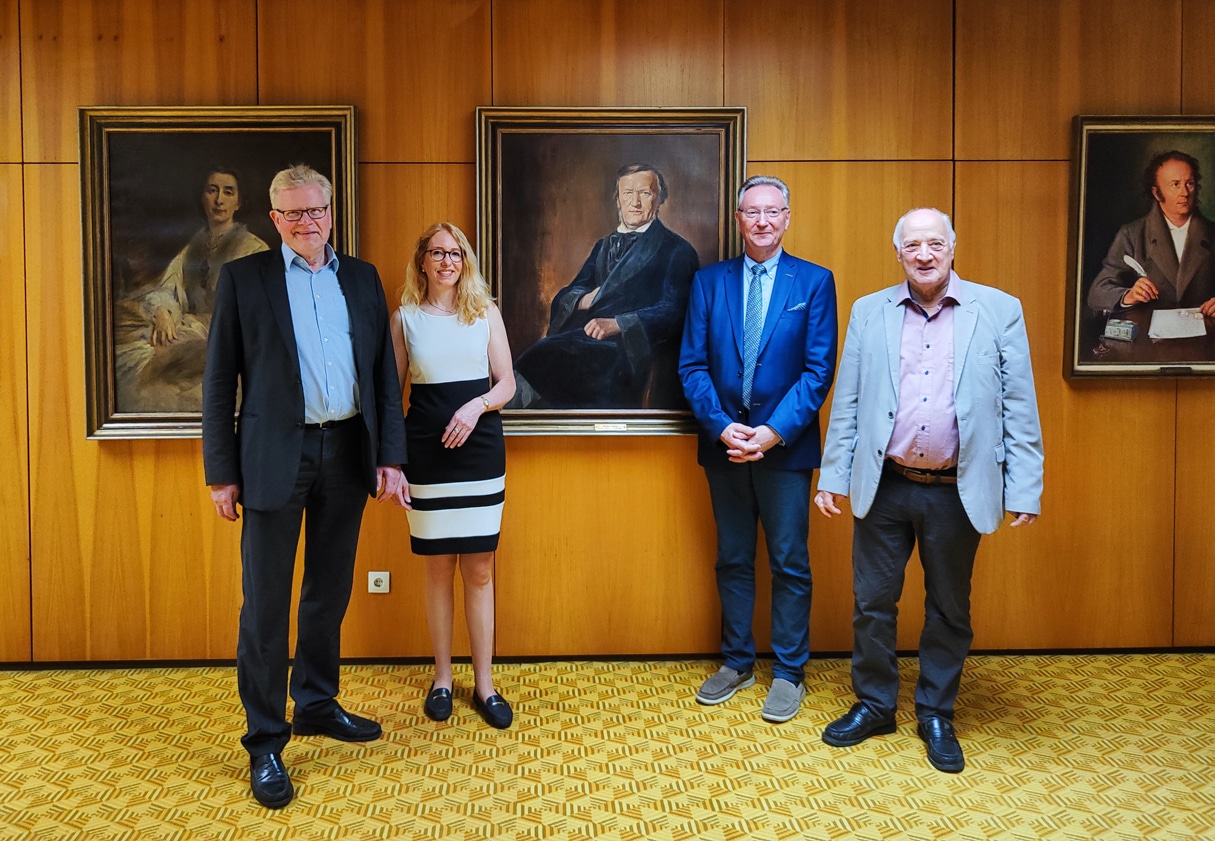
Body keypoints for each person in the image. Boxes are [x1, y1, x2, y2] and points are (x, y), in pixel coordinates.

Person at [202, 164, 408, 809]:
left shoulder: (364, 277)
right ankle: (265, 738)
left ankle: (317, 702)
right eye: (291, 214)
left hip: (347, 450)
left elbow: (383, 378)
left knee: (328, 591)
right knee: (264, 605)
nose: (306, 223)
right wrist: (220, 471)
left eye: (315, 211)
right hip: (271, 458)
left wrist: (390, 458)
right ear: (274, 219)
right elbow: (217, 383)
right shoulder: (244, 279)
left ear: (330, 211)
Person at [814, 207, 1044, 773]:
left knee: (948, 609)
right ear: (898, 253)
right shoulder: (869, 312)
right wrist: (833, 476)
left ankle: (936, 711)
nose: (924, 254)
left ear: (952, 247)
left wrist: (1026, 487)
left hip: (956, 490)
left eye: (934, 243)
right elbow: (847, 402)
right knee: (872, 604)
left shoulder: (999, 310)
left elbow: (1020, 405)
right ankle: (875, 705)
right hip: (885, 485)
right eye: (913, 245)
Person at [678, 174, 838, 723]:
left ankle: (790, 671)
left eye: (773, 212)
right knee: (733, 558)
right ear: (740, 219)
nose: (763, 221)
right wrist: (724, 427)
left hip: (785, 450)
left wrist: (770, 434)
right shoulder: (708, 283)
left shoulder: (814, 282)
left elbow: (818, 373)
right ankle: (737, 661)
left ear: (788, 218)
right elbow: (692, 367)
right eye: (753, 212)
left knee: (790, 562)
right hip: (724, 447)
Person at [389, 223, 517, 730]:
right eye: (437, 252)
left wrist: (475, 407)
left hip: (479, 451)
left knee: (480, 570)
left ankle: (484, 684)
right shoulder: (404, 319)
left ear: (466, 260)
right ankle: (443, 678)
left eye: (456, 252)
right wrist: (393, 462)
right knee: (438, 569)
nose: (447, 261)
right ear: (422, 261)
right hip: (426, 456)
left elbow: (507, 382)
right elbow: (389, 395)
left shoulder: (485, 312)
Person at [512, 162, 700, 409]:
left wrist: (619, 323)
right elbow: (571, 292)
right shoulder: (603, 246)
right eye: (627, 193)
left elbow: (675, 311)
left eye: (644, 193)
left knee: (540, 359)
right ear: (618, 199)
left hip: (630, 349)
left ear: (659, 199)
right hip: (587, 339)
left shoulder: (677, 249)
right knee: (537, 362)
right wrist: (583, 299)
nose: (635, 202)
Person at [114, 166, 269, 413]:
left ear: (238, 202)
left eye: (228, 192)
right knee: (125, 349)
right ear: (202, 197)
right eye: (212, 190)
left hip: (226, 334)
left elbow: (256, 315)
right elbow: (170, 287)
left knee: (154, 360)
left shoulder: (253, 249)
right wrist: (163, 312)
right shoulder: (194, 247)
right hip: (189, 325)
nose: (219, 200)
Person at [1087, 150, 1215, 317]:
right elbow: (1098, 293)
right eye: (1175, 184)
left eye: (1189, 183)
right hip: (1148, 338)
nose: (1184, 192)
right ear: (1156, 192)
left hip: (1205, 337)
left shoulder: (1211, 233)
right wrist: (1128, 295)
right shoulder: (1131, 235)